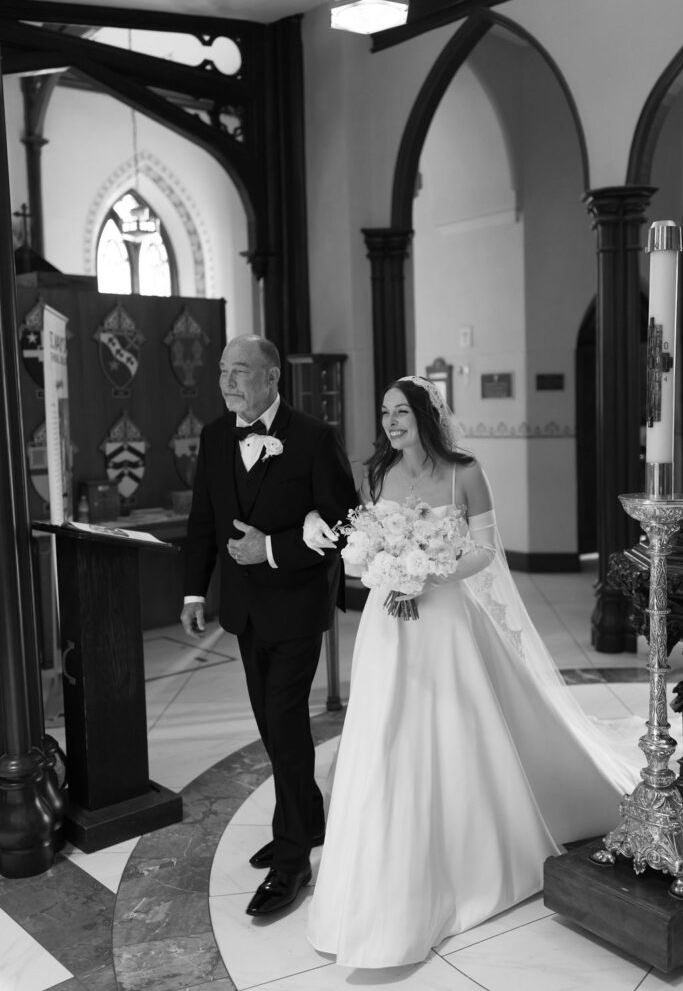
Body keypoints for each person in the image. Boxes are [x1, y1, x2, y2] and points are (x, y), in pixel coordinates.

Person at [304, 375, 641, 969]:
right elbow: (366, 542)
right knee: (382, 732)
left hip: (444, 618)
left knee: (448, 729)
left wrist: (430, 573)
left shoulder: (465, 471)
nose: (391, 422)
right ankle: (375, 872)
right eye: (385, 412)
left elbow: (487, 552)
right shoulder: (377, 474)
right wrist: (386, 568)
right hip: (388, 625)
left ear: (427, 416)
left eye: (402, 412)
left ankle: (468, 861)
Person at [181, 334, 357, 918]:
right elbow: (202, 520)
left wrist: (273, 549)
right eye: (224, 372)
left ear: (273, 378)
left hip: (298, 606)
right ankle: (306, 823)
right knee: (273, 726)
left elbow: (343, 524)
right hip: (244, 611)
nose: (228, 383)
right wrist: (192, 589)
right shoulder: (213, 435)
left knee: (284, 726)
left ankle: (290, 865)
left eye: (241, 372)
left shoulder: (314, 438)